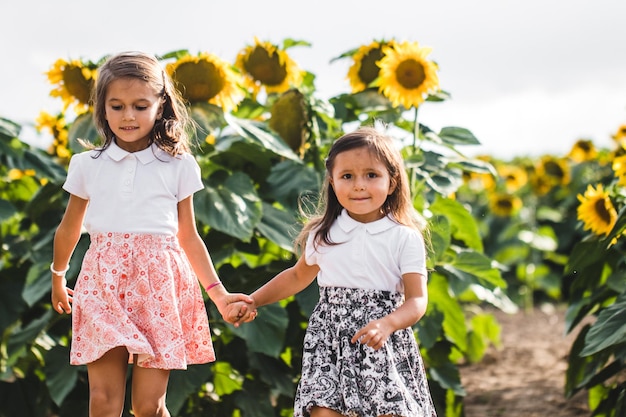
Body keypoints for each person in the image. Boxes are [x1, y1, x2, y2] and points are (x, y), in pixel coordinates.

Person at [50, 51, 253, 417]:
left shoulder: (178, 165)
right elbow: (70, 228)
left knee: (148, 406)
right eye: (117, 106)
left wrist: (219, 295)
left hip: (159, 284)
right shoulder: (86, 166)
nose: (128, 116)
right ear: (102, 108)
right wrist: (58, 275)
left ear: (161, 106)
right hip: (101, 282)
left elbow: (188, 235)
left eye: (140, 105)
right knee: (103, 402)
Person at [232, 126, 437, 417]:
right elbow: (296, 276)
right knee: (324, 411)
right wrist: (254, 300)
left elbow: (417, 301)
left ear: (392, 183)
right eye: (347, 176)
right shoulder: (323, 233)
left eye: (371, 175)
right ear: (332, 182)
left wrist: (388, 324)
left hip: (380, 340)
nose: (359, 185)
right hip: (330, 341)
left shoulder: (403, 237)